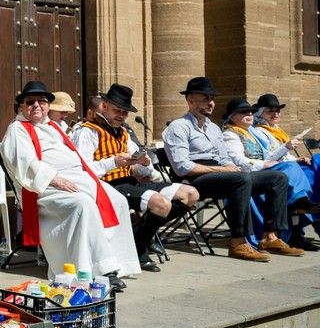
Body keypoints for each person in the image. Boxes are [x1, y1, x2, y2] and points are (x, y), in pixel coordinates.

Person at [0, 80, 141, 286]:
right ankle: (96, 269)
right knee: (82, 204)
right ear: (21, 106)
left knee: (118, 200)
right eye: (30, 102)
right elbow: (24, 162)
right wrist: (54, 179)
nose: (37, 105)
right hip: (45, 188)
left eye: (42, 101)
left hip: (76, 178)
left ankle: (118, 263)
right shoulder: (18, 129)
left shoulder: (53, 126)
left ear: (49, 105)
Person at [162, 77, 302, 261]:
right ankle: (238, 241)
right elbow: (182, 167)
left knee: (277, 177)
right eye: (205, 99)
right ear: (190, 100)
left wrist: (233, 167)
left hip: (222, 174)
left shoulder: (213, 128)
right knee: (240, 179)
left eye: (212, 98)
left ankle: (270, 236)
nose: (211, 103)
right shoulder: (179, 127)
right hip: (195, 179)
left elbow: (224, 158)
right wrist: (224, 170)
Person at [71, 84, 200, 273]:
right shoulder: (87, 131)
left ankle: (136, 237)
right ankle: (139, 249)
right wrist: (113, 162)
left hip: (131, 183)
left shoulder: (123, 133)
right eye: (117, 110)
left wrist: (144, 162)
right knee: (161, 204)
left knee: (190, 194)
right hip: (106, 187)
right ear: (104, 106)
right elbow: (82, 169)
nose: (121, 116)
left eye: (125, 112)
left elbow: (141, 169)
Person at [223, 97, 319, 248]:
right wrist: (270, 161)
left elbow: (268, 155)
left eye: (250, 112)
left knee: (307, 171)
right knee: (291, 170)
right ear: (232, 116)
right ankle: (299, 205)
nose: (249, 115)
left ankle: (299, 214)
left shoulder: (251, 133)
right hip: (249, 172)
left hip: (265, 168)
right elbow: (239, 161)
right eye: (244, 112)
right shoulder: (231, 134)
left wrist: (291, 159)